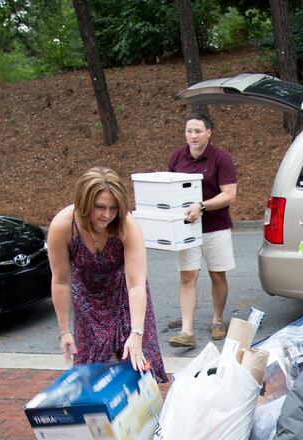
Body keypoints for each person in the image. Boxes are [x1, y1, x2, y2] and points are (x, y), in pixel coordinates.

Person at [49, 167, 167, 383]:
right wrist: (65, 331)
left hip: (125, 294)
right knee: (95, 375)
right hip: (87, 299)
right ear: (84, 203)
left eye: (113, 208)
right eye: (100, 207)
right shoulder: (63, 226)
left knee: (138, 369)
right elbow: (61, 281)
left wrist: (137, 332)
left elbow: (136, 284)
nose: (107, 215)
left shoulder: (125, 224)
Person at [168, 113, 238, 348]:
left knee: (217, 274)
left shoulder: (221, 158)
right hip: (187, 228)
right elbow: (170, 191)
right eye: (189, 131)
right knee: (187, 276)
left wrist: (202, 206)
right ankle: (186, 331)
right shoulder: (177, 157)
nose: (193, 135)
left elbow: (229, 195)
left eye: (198, 131)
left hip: (215, 226)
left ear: (209, 132)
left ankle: (217, 320)